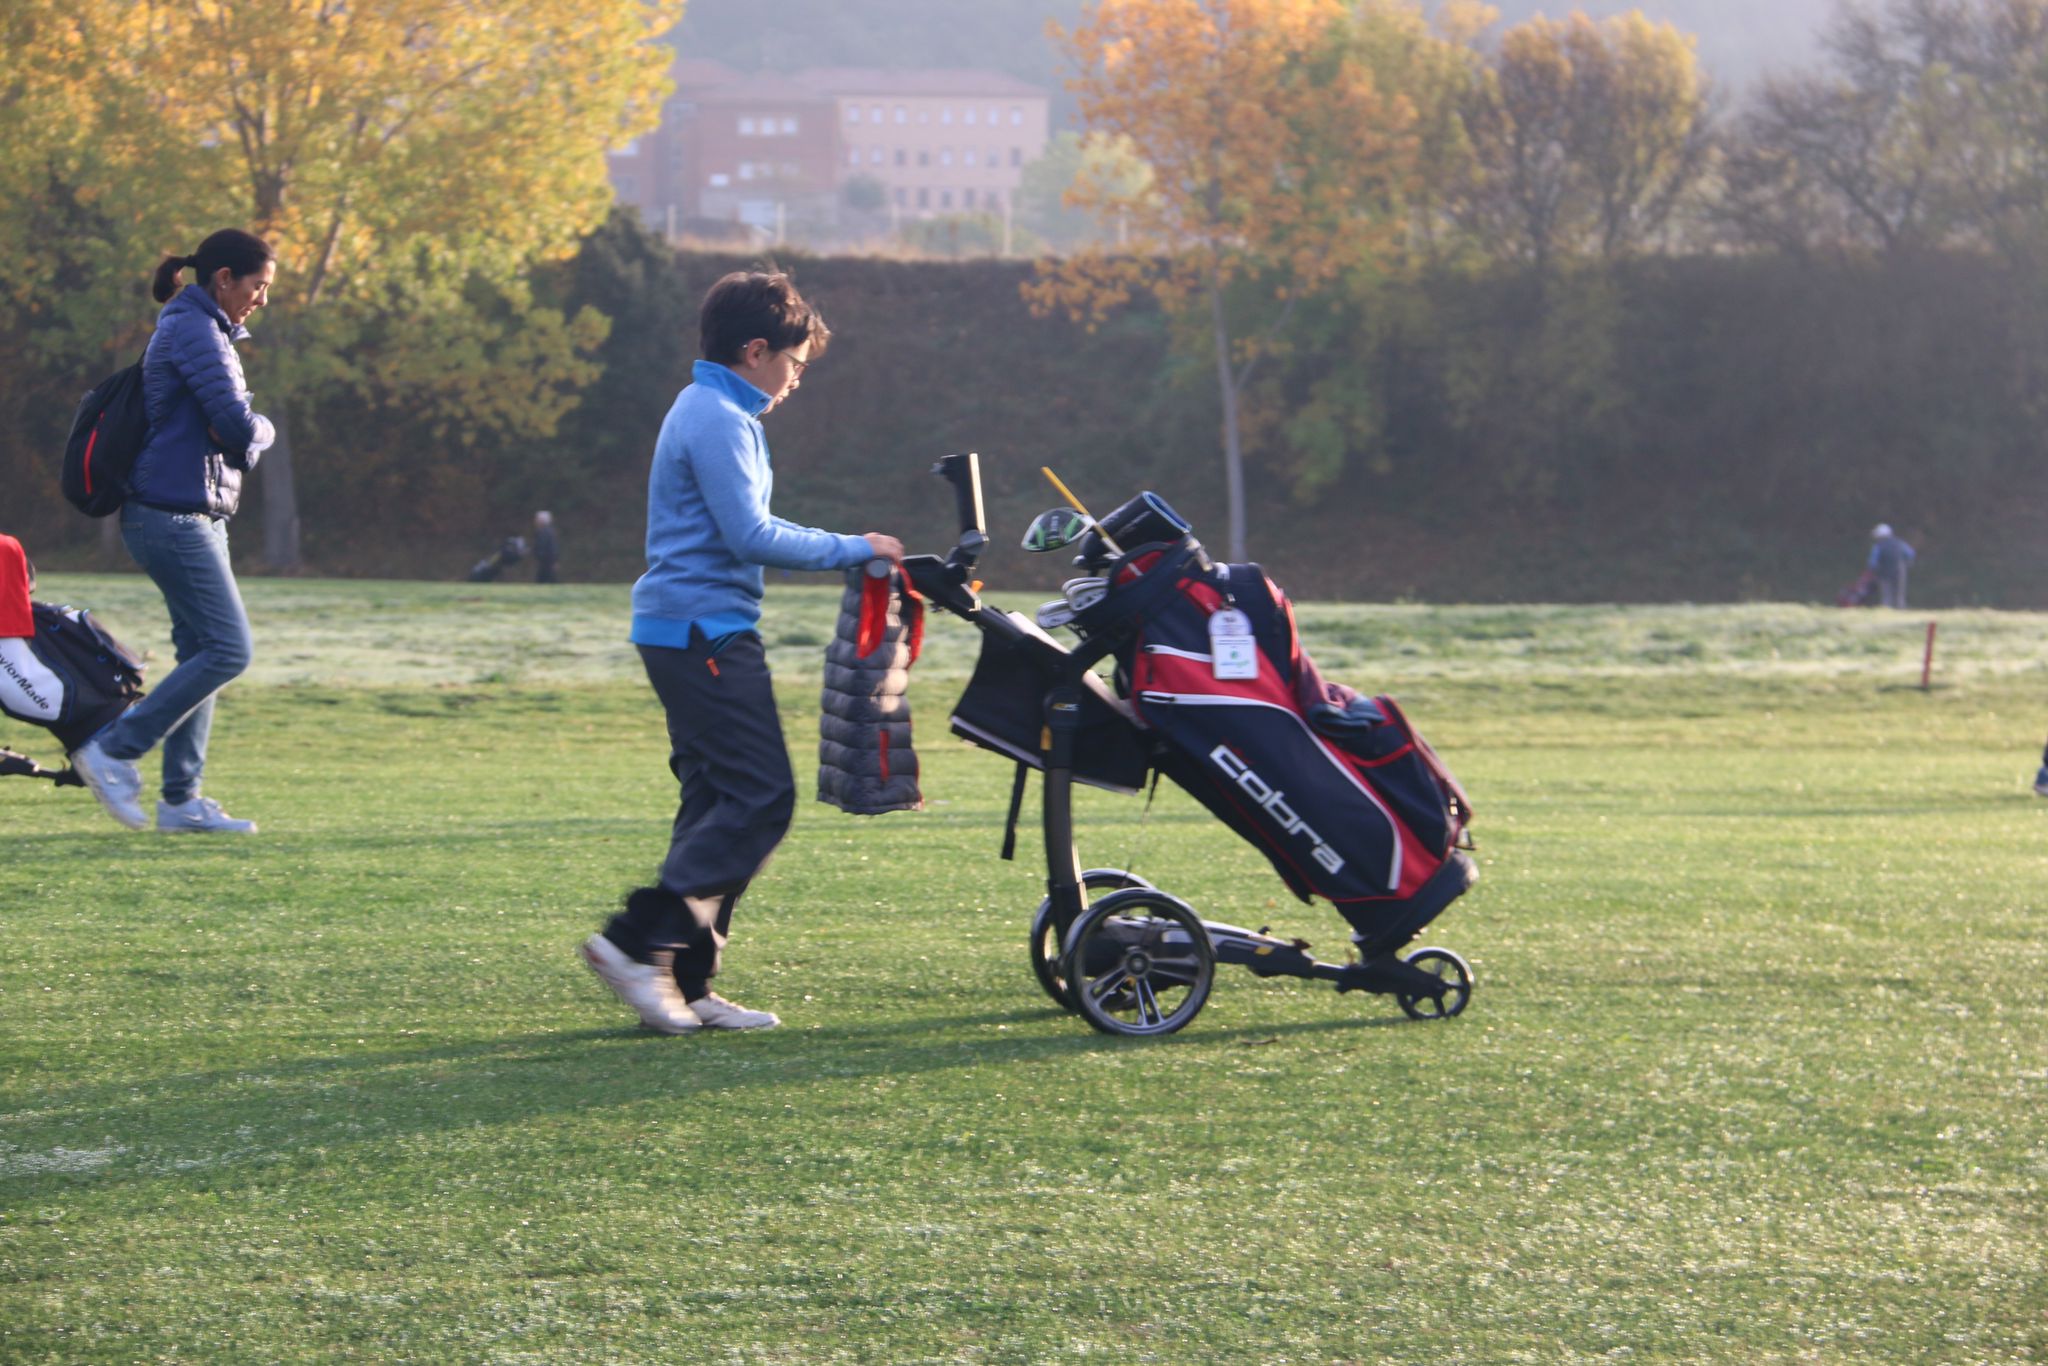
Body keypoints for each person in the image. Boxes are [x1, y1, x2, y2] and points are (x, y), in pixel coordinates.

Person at [579, 270, 903, 1033]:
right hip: (705, 634)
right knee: (761, 798)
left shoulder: (711, 409)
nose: (795, 379)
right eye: (792, 362)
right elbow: (750, 535)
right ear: (754, 350)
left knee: (716, 801)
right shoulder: (719, 418)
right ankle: (636, 941)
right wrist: (857, 546)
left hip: (688, 630)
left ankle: (685, 983)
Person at [70, 229, 276, 834]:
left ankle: (181, 801)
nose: (261, 299)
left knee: (200, 652)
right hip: (170, 513)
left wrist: (241, 427)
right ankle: (112, 749)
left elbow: (226, 429)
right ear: (224, 280)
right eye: (258, 286)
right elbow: (239, 428)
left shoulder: (206, 329)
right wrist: (263, 428)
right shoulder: (193, 329)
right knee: (229, 648)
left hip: (197, 511)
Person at [1868, 523, 1916, 609]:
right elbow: (1910, 553)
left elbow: (1873, 562)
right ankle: (1901, 609)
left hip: (1884, 573)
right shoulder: (1899, 543)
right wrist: (1907, 563)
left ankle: (1886, 610)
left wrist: (1874, 571)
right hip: (1899, 571)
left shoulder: (1878, 546)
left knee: (1886, 595)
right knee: (1899, 594)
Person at [532, 511, 559, 583]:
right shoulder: (548, 531)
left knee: (545, 579)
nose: (535, 521)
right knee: (548, 579)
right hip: (547, 560)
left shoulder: (545, 532)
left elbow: (548, 548)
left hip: (546, 560)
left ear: (542, 521)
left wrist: (539, 555)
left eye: (537, 519)